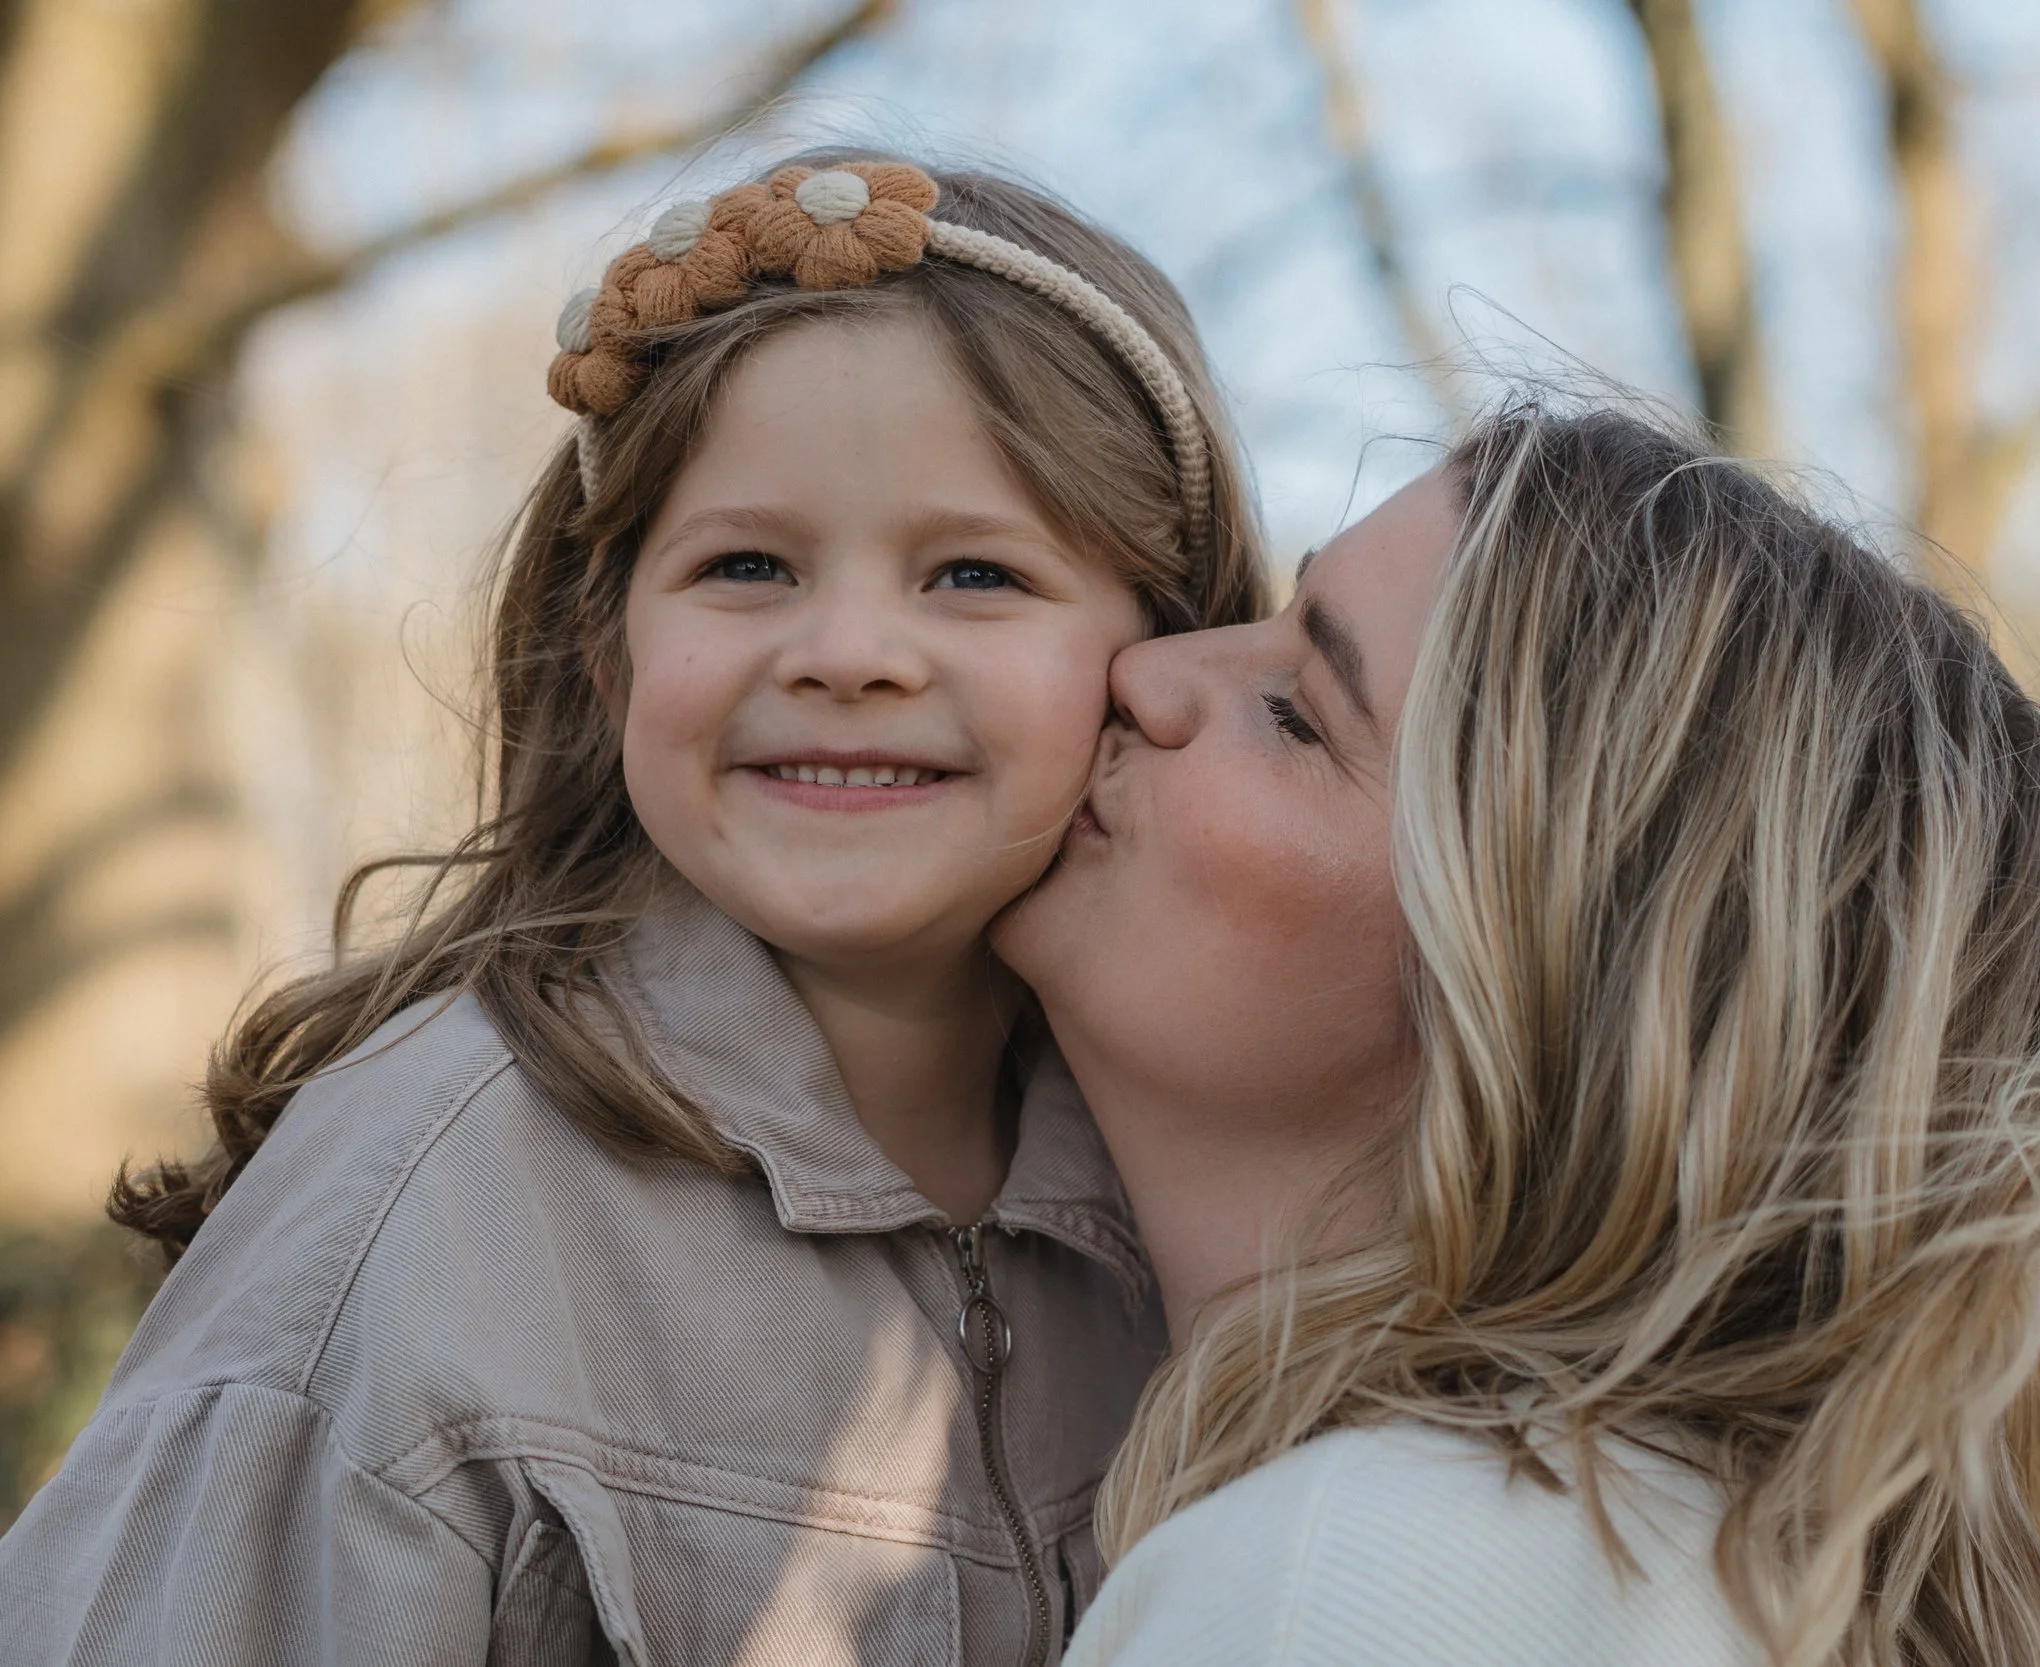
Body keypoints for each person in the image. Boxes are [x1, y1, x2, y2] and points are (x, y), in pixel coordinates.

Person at [0, 153, 1264, 1666]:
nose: (849, 649)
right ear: (607, 651)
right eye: (746, 564)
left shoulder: (1201, 1198)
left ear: (1165, 653)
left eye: (976, 573)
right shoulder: (420, 1223)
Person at [997, 398, 2040, 1667]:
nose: (1146, 670)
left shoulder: (1349, 1581)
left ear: (1547, 1004)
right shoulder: (1680, 1564)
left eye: (1298, 714)